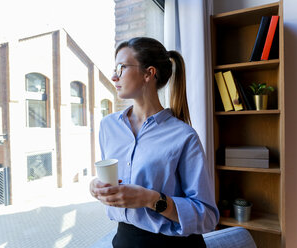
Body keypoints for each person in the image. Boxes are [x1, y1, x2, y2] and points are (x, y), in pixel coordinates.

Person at [90, 37, 219, 248]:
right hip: (124, 241)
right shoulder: (108, 127)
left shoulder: (184, 136)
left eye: (122, 67)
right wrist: (96, 189)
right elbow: (116, 183)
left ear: (148, 73)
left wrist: (150, 199)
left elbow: (207, 217)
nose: (114, 76)